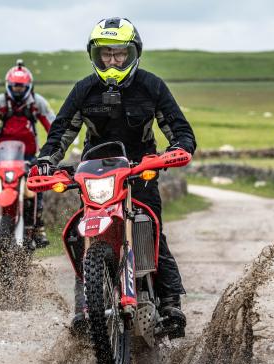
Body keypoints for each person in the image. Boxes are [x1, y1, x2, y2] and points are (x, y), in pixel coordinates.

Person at [35, 17, 196, 337]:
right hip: (96, 173)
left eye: (119, 54)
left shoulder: (152, 86)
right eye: (105, 54)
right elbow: (61, 132)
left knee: (150, 228)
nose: (112, 61)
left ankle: (170, 302)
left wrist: (176, 150)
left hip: (141, 170)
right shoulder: (84, 89)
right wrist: (44, 161)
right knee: (85, 233)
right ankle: (85, 307)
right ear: (94, 56)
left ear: (133, 53)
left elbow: (180, 130)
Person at [0, 60, 55, 248]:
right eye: (14, 86)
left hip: (31, 157)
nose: (17, 90)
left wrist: (53, 153)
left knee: (36, 190)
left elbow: (54, 127)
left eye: (21, 87)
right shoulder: (0, 103)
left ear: (28, 87)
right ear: (8, 86)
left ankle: (38, 227)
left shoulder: (37, 103)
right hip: (3, 158)